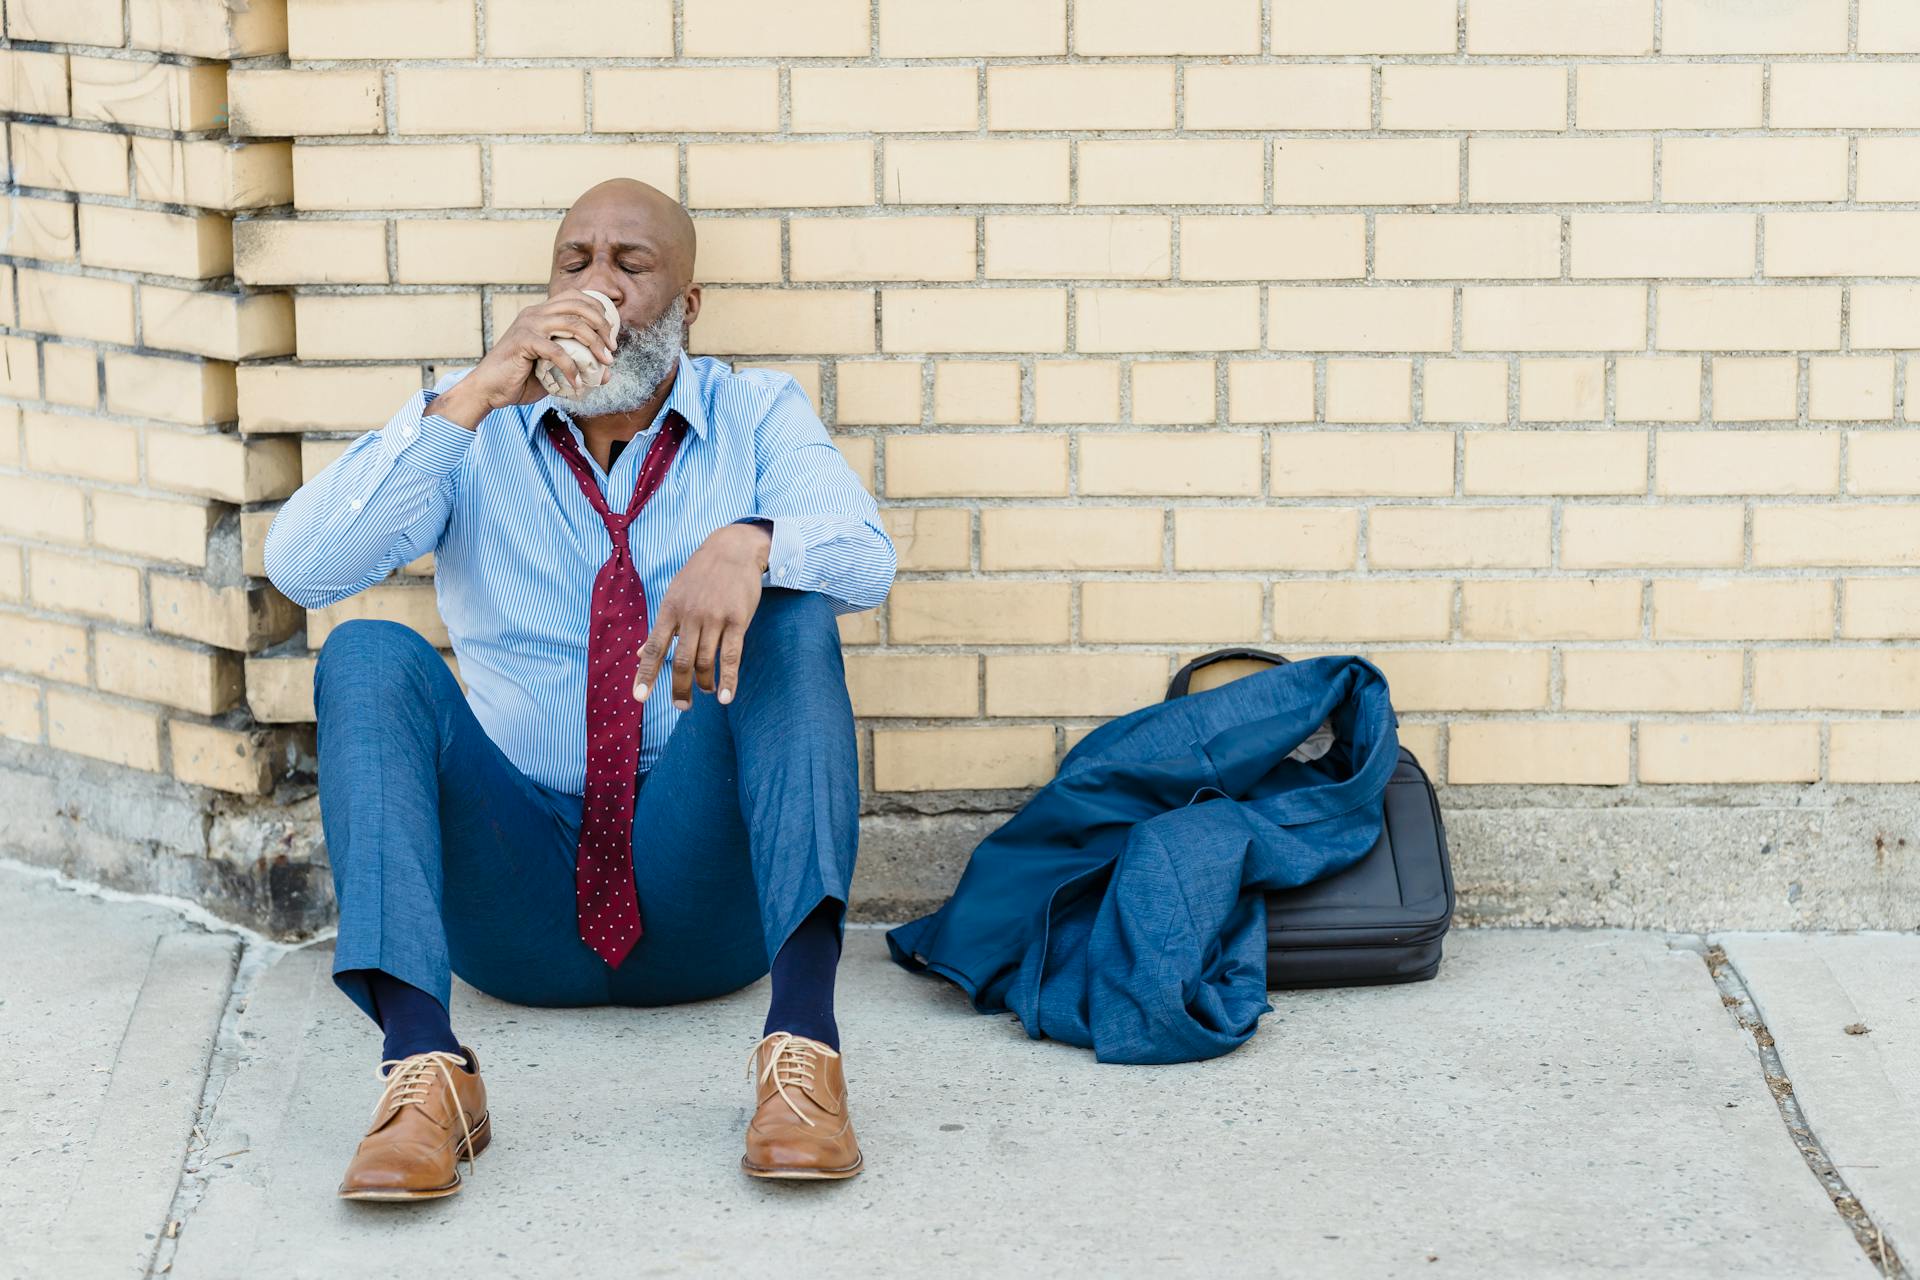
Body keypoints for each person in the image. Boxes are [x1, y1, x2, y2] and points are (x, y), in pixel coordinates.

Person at [263, 178, 895, 1196]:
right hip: (516, 894)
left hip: (701, 894)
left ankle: (805, 1055)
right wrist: (468, 397)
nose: (598, 286)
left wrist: (754, 541)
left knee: (797, 608)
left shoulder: (754, 411)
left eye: (631, 265)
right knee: (368, 653)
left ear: (686, 305)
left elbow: (867, 555)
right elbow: (302, 565)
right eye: (575, 262)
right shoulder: (471, 427)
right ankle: (424, 1069)